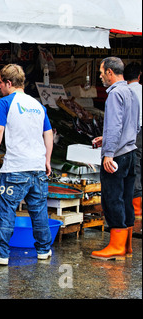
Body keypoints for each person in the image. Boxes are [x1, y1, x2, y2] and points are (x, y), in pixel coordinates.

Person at [0, 64, 53, 265]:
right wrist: (47, 160)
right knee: (39, 210)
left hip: (16, 168)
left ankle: (0, 253)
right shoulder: (38, 105)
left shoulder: (5, 102)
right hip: (37, 167)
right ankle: (44, 250)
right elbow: (48, 133)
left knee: (6, 209)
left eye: (1, 83)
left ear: (9, 83)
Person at [91, 57, 140, 261]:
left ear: (110, 72)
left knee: (112, 198)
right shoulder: (131, 91)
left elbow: (114, 126)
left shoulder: (114, 94)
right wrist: (108, 139)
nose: (101, 76)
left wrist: (109, 153)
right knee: (127, 197)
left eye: (102, 73)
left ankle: (116, 245)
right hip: (130, 152)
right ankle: (126, 245)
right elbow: (134, 126)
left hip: (117, 156)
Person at [123, 62, 142, 220]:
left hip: (133, 132)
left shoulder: (124, 91)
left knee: (134, 167)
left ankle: (136, 209)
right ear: (139, 76)